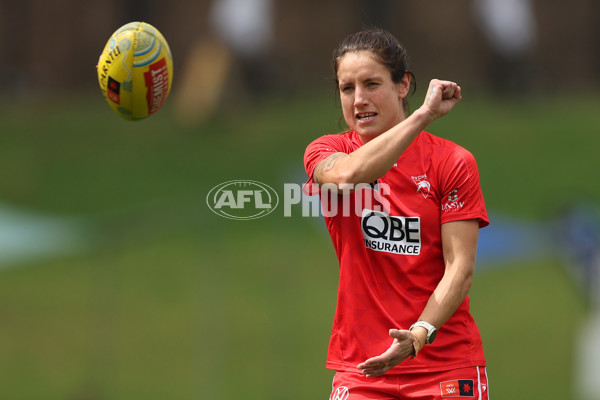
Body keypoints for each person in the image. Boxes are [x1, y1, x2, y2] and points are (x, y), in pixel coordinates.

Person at [303, 28, 490, 399]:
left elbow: (460, 269)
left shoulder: (452, 163)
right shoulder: (326, 151)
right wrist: (423, 116)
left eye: (371, 84)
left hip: (444, 365)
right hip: (362, 371)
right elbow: (349, 176)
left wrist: (418, 335)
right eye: (347, 88)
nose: (358, 100)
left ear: (403, 85)